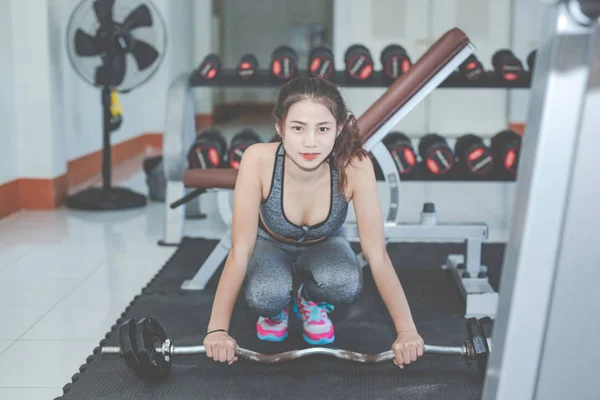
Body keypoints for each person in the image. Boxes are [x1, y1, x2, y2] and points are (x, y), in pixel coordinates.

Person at [203, 76, 424, 369]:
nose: (310, 142)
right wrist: (217, 330)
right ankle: (277, 307)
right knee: (266, 294)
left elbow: (377, 256)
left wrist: (407, 331)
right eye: (297, 128)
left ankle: (309, 298)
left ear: (339, 128)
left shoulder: (356, 166)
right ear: (280, 127)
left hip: (326, 244)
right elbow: (240, 250)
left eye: (323, 129)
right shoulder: (257, 160)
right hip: (270, 244)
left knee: (344, 282)